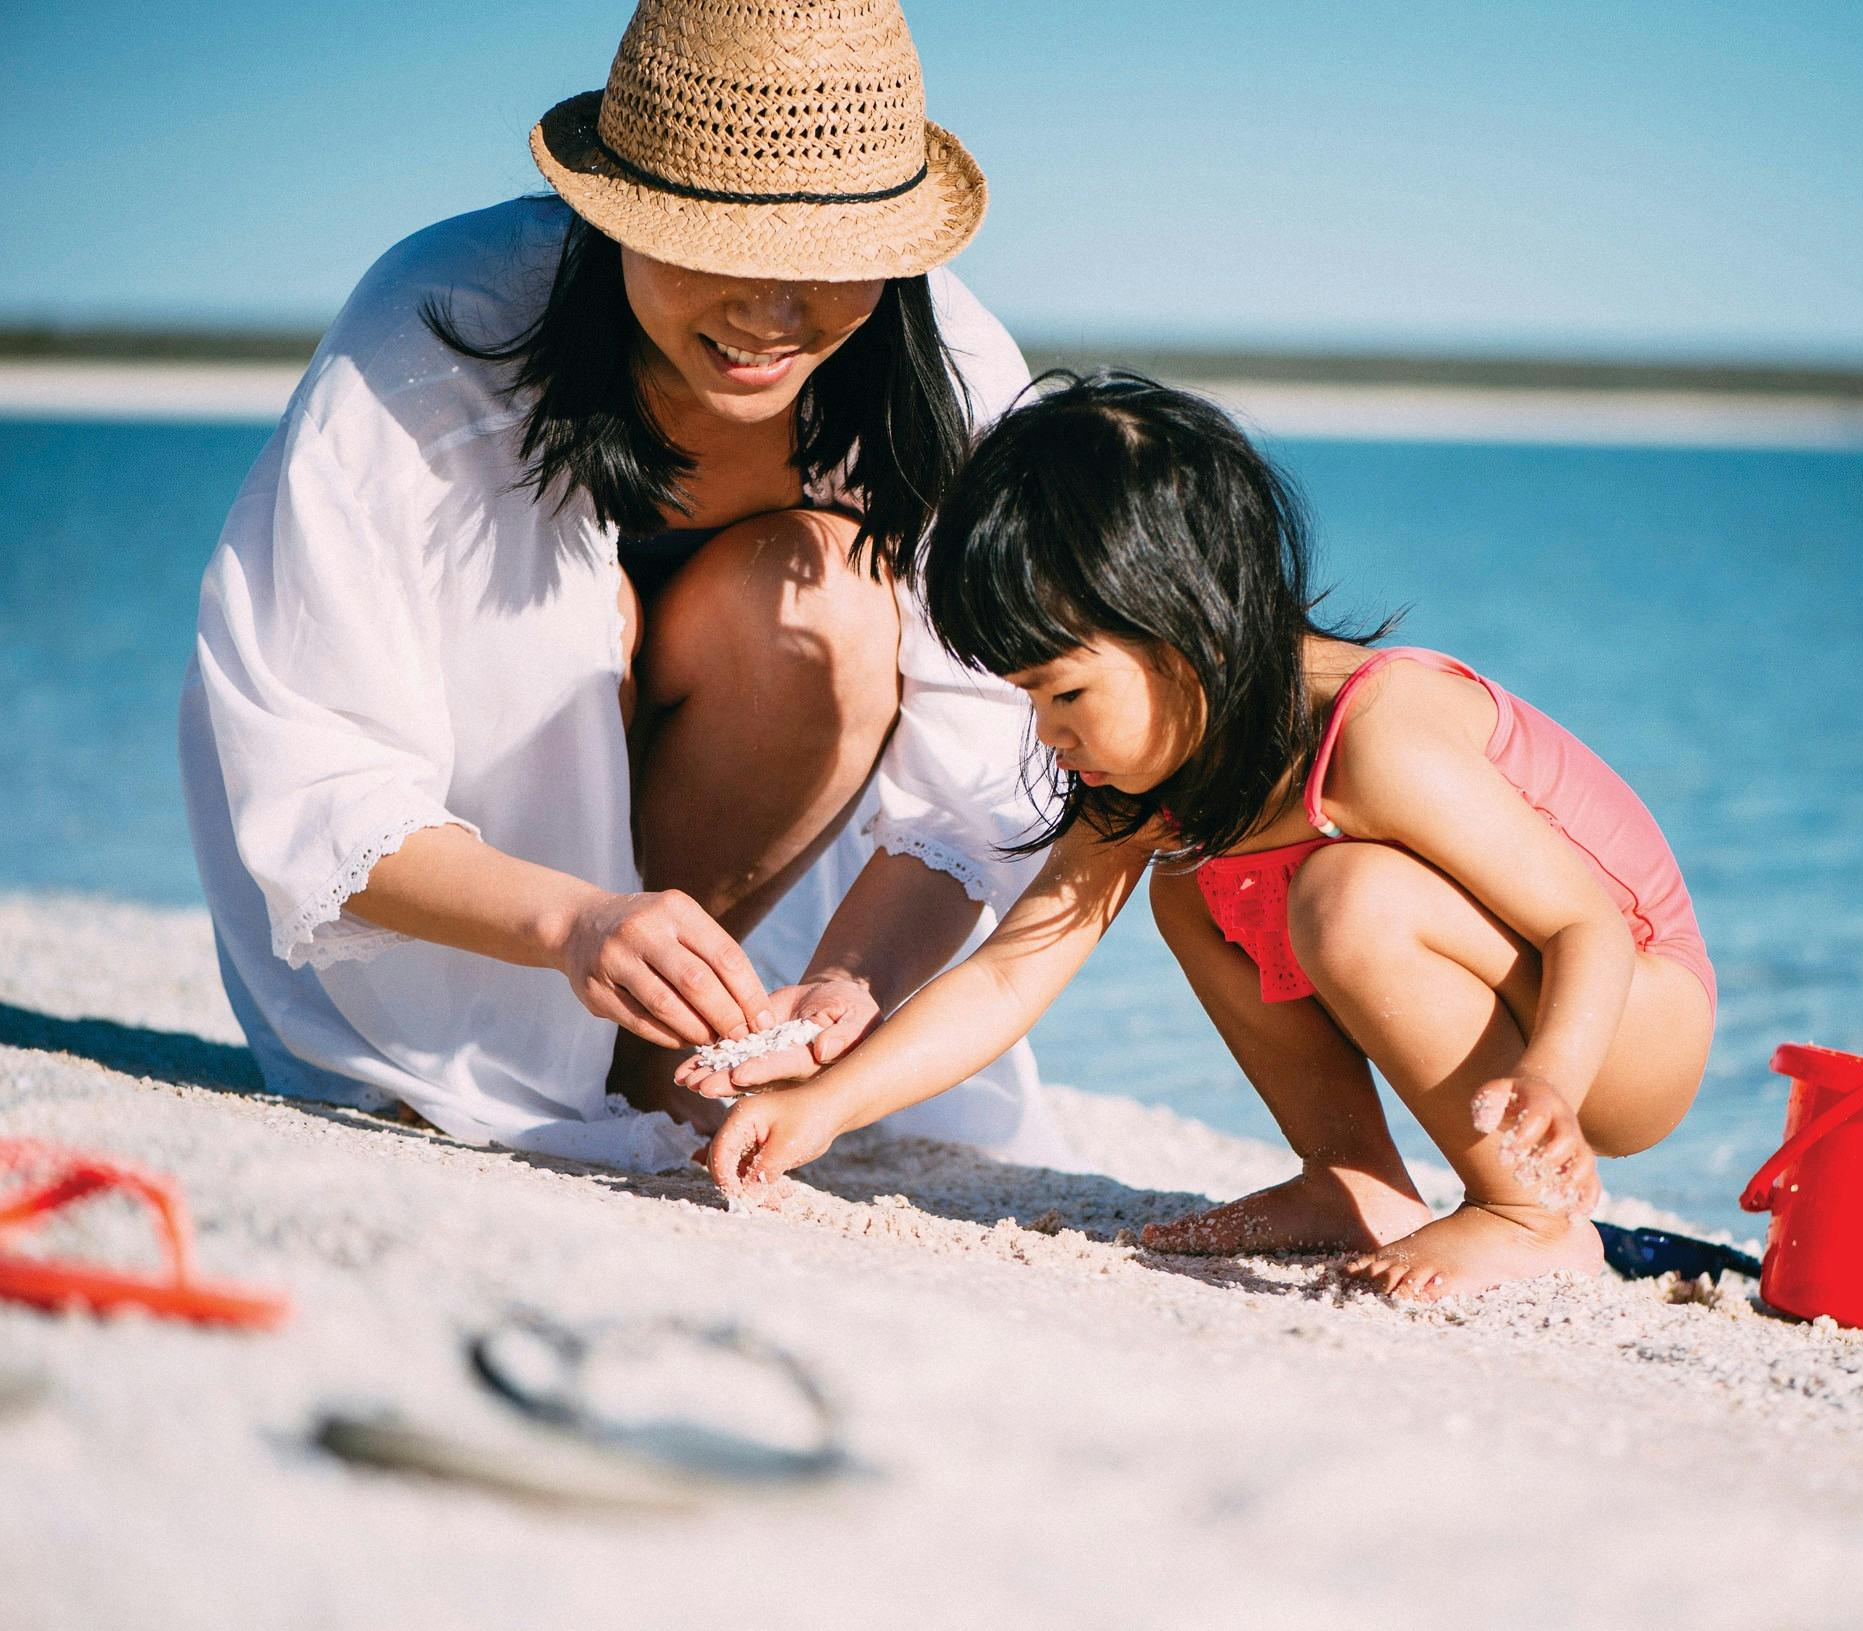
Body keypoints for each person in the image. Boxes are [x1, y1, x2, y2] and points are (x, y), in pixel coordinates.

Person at [179, 0, 1063, 1172]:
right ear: (612, 208)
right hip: (469, 922)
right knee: (580, 614)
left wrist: (854, 982)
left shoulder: (944, 372)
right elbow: (310, 767)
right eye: (718, 244)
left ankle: (672, 1047)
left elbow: (987, 756)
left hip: (757, 853)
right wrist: (573, 922)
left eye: (826, 264)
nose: (769, 312)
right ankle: (536, 1035)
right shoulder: (441, 326)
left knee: (828, 603)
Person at [692, 375, 1716, 1299]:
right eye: (1029, 700)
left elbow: (1588, 923)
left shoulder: (1378, 734)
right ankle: (1352, 1176)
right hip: (1543, 1008)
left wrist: (1554, 1082)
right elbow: (1012, 973)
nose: (1050, 734)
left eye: (1068, 692)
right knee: (1197, 879)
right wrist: (825, 1106)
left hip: (1627, 1017)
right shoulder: (1146, 786)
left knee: (1350, 897)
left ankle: (1530, 1217)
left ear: (1191, 635)